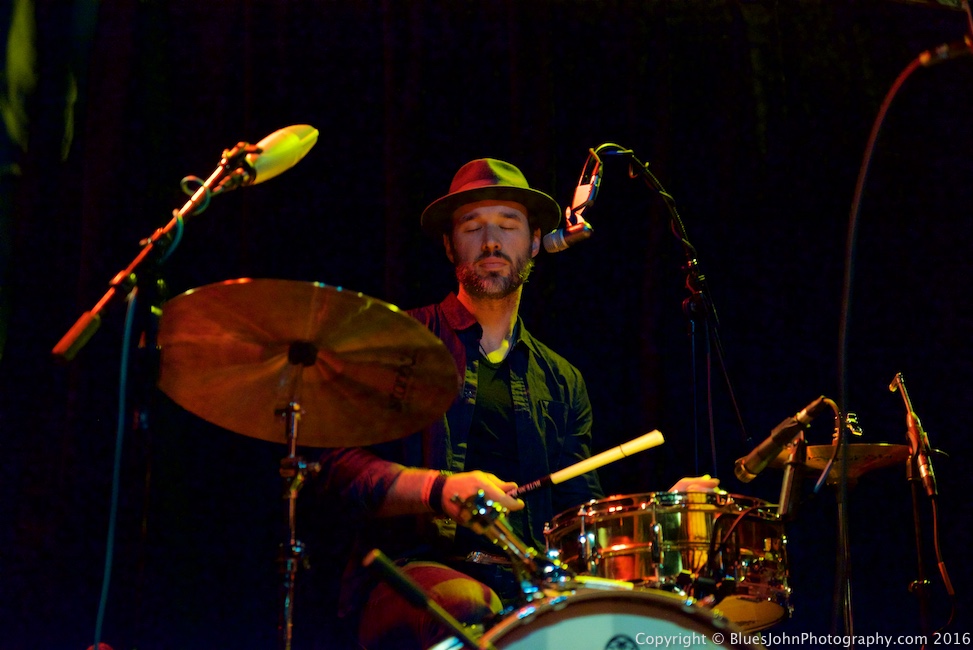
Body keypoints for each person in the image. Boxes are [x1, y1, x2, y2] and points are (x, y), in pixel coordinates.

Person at [317, 159, 717, 649]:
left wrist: (657, 515)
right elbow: (340, 470)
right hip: (416, 573)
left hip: (530, 586)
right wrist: (439, 489)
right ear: (449, 245)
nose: (491, 242)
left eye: (508, 226)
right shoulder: (399, 341)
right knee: (470, 605)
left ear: (533, 244)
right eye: (472, 227)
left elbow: (578, 517)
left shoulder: (563, 380)